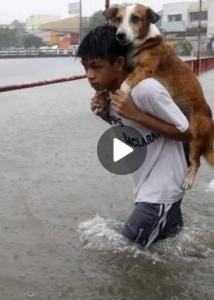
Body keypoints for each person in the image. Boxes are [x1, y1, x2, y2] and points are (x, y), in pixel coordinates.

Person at [77, 25, 193, 248]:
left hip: (161, 192)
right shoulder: (112, 95)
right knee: (166, 254)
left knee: (126, 258)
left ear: (119, 63)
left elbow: (187, 133)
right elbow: (137, 137)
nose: (89, 76)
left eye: (96, 67)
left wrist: (136, 114)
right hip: (149, 190)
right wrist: (106, 116)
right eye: (85, 67)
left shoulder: (146, 90)